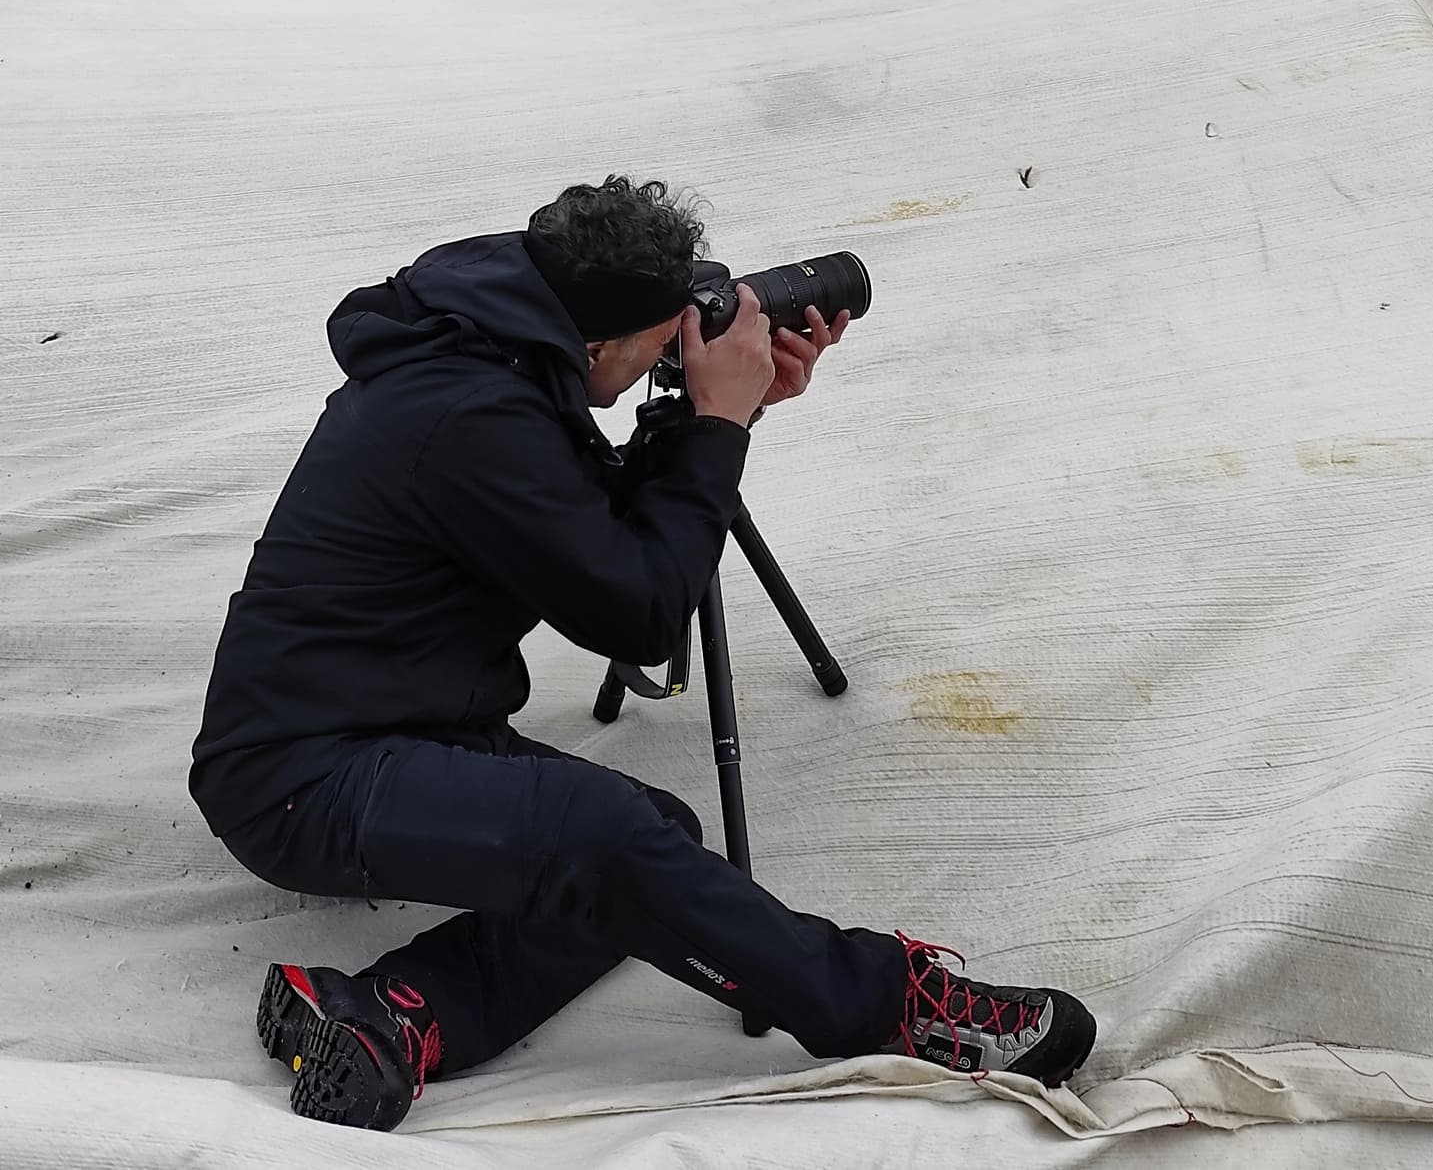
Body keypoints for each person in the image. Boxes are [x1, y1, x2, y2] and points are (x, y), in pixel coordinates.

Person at [189, 175, 1095, 1131]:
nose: (672, 348)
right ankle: (892, 1009)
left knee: (650, 833)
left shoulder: (497, 337)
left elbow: (595, 527)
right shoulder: (469, 414)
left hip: (403, 727)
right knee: (608, 837)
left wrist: (726, 420)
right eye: (661, 339)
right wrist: (712, 428)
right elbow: (640, 615)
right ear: (597, 342)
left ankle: (391, 1016)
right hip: (300, 774)